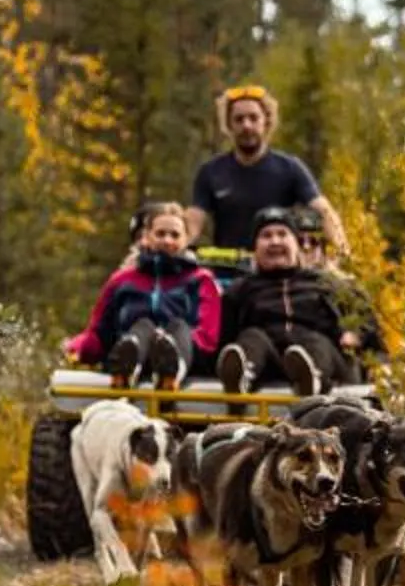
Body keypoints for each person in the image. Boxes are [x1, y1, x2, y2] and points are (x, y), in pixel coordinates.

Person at [215, 212, 382, 396]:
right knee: (252, 336)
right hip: (269, 364)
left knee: (314, 341)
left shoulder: (328, 284)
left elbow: (367, 321)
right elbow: (223, 338)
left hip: (327, 361)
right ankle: (240, 378)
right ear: (255, 247)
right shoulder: (240, 290)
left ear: (296, 244)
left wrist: (356, 335)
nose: (275, 241)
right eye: (266, 235)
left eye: (282, 234)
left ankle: (311, 379)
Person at [65, 201, 222, 387]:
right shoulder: (122, 280)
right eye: (160, 234)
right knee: (143, 326)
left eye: (174, 235)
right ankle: (127, 367)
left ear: (186, 240)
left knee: (178, 328)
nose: (167, 241)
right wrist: (78, 348)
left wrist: (163, 343)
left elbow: (207, 337)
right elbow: (99, 331)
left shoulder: (200, 280)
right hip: (133, 345)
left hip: (185, 354)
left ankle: (171, 369)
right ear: (146, 237)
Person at [192, 84, 348, 260]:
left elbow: (323, 210)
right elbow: (194, 222)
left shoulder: (290, 168)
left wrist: (338, 251)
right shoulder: (211, 172)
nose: (247, 125)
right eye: (239, 119)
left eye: (253, 118)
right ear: (229, 125)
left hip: (278, 268)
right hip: (229, 271)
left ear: (266, 121)